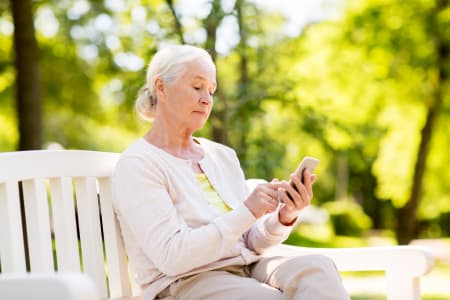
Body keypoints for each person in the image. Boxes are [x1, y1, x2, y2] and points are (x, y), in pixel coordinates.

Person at [112, 44, 350, 300]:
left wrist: (284, 215)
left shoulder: (221, 156)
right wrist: (247, 211)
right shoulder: (138, 164)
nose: (206, 99)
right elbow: (173, 258)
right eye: (196, 87)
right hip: (186, 282)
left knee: (318, 268)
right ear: (161, 87)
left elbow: (249, 242)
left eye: (211, 91)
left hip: (245, 267)